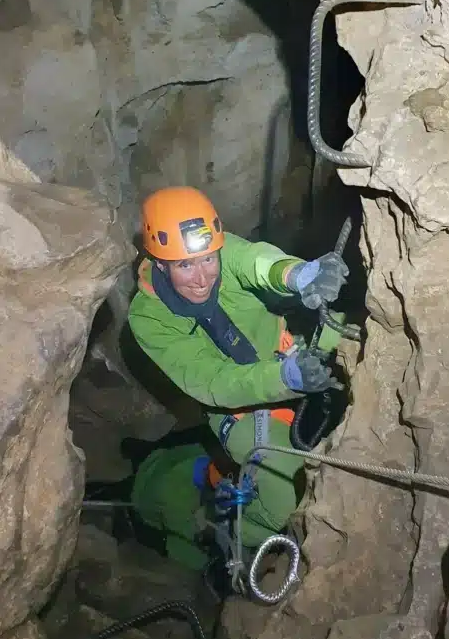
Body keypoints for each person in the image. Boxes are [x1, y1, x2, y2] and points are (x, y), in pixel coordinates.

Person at [127, 186, 348, 574]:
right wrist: (285, 379)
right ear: (160, 263)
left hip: (285, 354)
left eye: (208, 259)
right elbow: (214, 381)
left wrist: (298, 274)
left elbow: (257, 262)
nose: (202, 278)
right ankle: (221, 527)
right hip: (239, 410)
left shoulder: (224, 251)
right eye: (184, 266)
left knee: (355, 334)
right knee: (285, 499)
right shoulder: (147, 319)